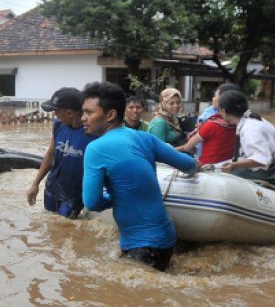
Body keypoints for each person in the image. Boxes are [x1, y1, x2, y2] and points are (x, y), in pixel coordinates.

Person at [80, 81, 200, 272]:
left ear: (110, 115)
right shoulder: (144, 138)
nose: (83, 118)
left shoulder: (95, 148)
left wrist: (115, 197)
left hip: (142, 247)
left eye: (89, 112)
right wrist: (199, 165)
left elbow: (92, 202)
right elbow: (188, 165)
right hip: (166, 240)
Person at [26, 87, 96, 218]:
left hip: (74, 195)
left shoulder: (93, 133)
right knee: (52, 227)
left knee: (67, 229)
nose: (54, 115)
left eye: (56, 111)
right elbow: (50, 154)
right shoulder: (58, 124)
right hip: (53, 188)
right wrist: (35, 183)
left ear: (69, 113)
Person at [218, 91, 275, 193]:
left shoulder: (250, 128)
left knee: (225, 176)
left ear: (224, 111)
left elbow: (262, 159)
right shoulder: (252, 121)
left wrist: (234, 166)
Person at [174, 83, 240, 165]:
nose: (213, 98)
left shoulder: (212, 124)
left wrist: (168, 151)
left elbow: (187, 147)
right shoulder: (238, 124)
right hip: (226, 165)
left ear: (223, 100)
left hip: (206, 166)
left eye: (215, 96)